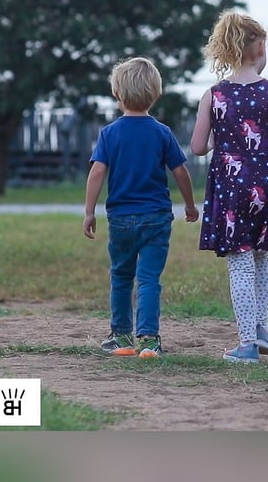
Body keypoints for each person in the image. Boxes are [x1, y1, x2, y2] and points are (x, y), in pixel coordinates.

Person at [191, 10, 268, 364]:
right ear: (260, 48)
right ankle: (261, 331)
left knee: (239, 261)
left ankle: (246, 345)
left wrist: (220, 141)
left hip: (231, 187)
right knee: (260, 255)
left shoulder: (214, 96)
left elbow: (197, 147)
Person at [84, 56, 199, 359]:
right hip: (156, 218)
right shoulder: (161, 132)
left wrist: (89, 211)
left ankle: (121, 338)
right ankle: (148, 340)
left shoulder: (110, 133)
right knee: (148, 279)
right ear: (156, 93)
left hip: (120, 218)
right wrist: (189, 205)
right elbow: (180, 172)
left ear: (117, 94)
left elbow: (97, 172)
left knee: (121, 276)